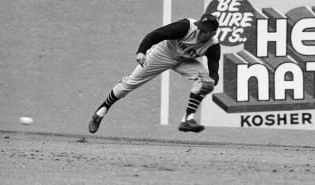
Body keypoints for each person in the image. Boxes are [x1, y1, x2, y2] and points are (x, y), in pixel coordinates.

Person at [88, 13, 221, 133]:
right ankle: (100, 112)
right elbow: (156, 34)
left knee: (205, 81)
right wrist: (141, 51)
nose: (200, 31)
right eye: (200, 27)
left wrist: (212, 81)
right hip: (163, 54)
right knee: (129, 84)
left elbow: (214, 71)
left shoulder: (213, 46)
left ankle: (188, 120)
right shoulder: (186, 26)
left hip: (184, 61)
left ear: (213, 33)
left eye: (205, 31)